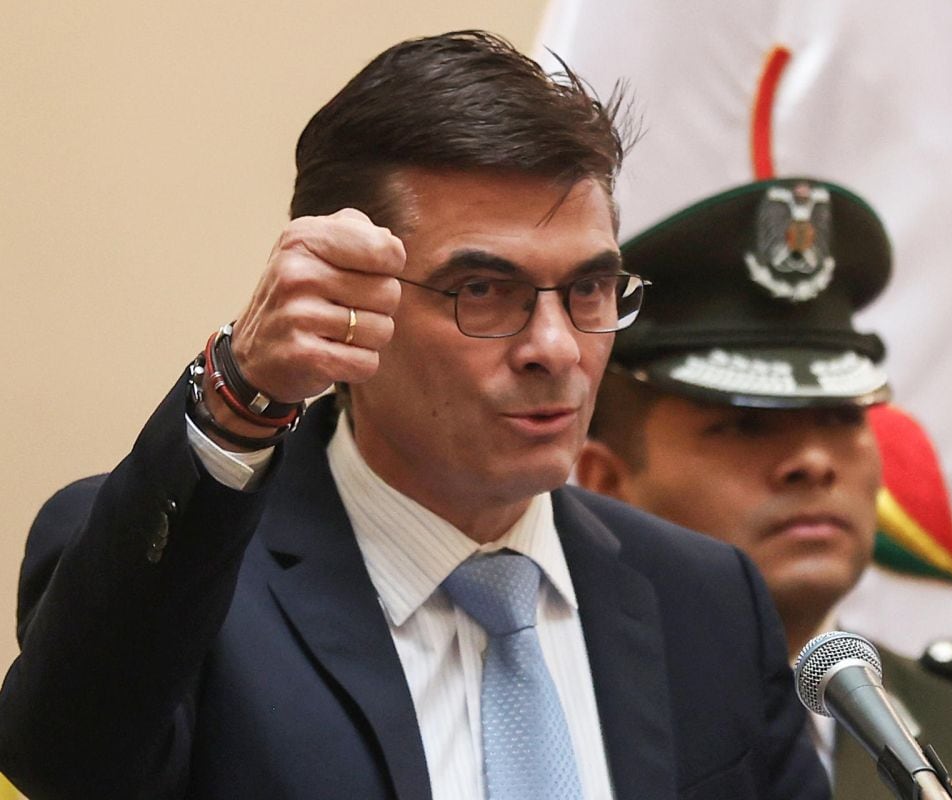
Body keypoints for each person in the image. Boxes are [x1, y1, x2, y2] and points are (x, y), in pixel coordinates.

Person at [0, 33, 829, 800]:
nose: (557, 348)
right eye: (482, 290)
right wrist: (238, 396)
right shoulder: (187, 578)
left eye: (589, 288)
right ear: (346, 301)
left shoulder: (706, 598)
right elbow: (67, 763)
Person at [577, 177, 952, 800]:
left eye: (842, 418)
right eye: (745, 425)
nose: (813, 462)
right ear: (606, 481)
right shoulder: (563, 720)